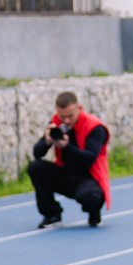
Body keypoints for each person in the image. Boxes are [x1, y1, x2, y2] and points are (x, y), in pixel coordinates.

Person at [27, 91, 109, 228]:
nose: (66, 121)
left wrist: (66, 146)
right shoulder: (56, 123)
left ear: (79, 108)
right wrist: (47, 142)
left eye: (70, 116)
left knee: (90, 196)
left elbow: (89, 158)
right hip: (65, 173)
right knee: (35, 167)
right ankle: (52, 215)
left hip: (88, 177)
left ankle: (94, 213)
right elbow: (37, 153)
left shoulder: (94, 127)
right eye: (62, 116)